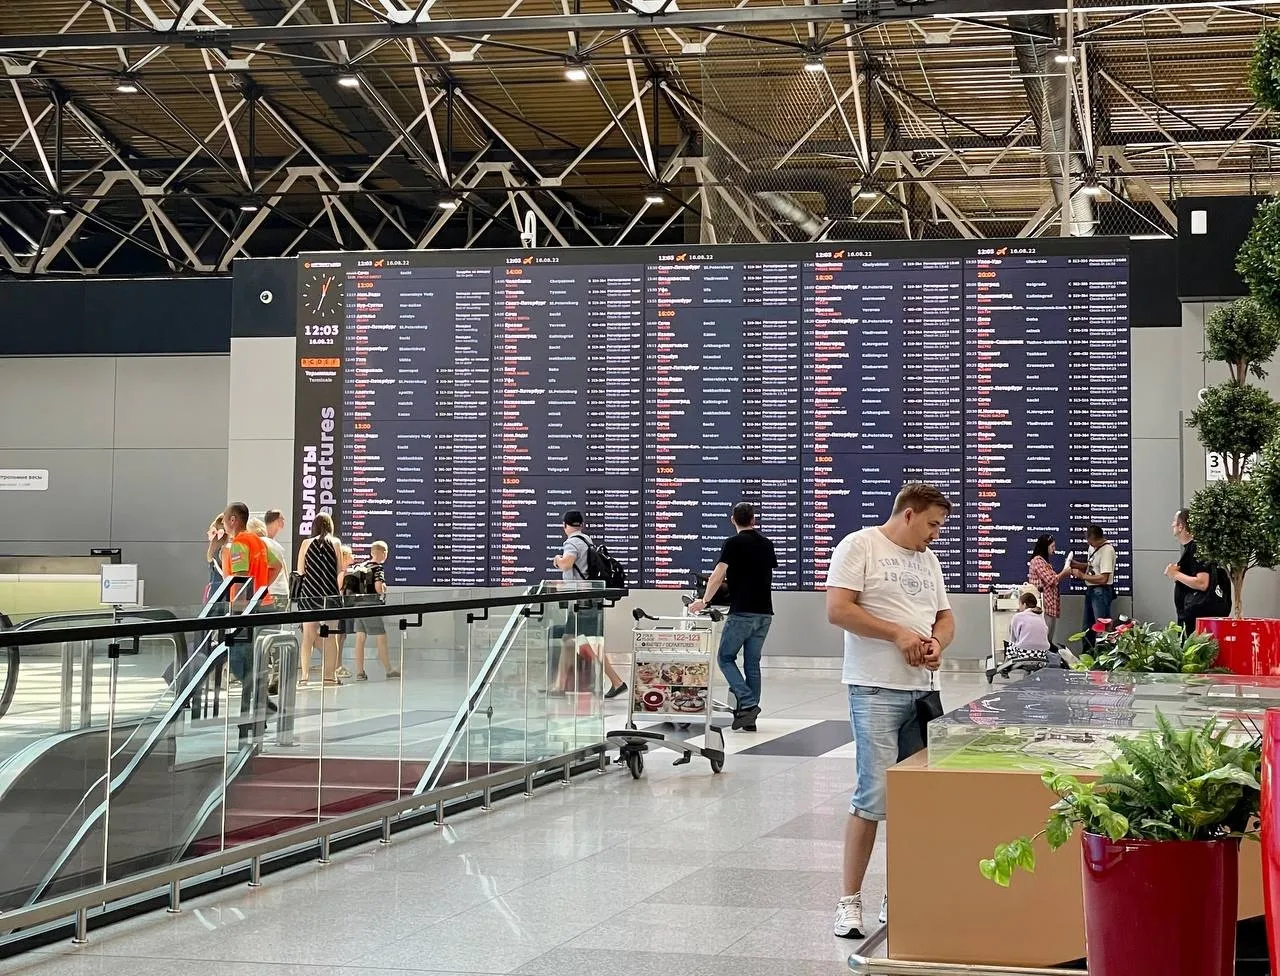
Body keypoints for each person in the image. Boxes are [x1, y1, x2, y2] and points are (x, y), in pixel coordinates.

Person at [826, 482, 955, 940]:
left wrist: (936, 642)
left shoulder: (929, 560)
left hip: (922, 694)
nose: (935, 534)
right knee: (873, 795)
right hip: (875, 690)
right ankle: (849, 901)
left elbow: (945, 617)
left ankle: (896, 894)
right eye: (932, 524)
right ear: (908, 514)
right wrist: (897, 634)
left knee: (912, 799)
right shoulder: (860, 546)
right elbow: (838, 610)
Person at [688, 502, 777, 732]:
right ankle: (749, 717)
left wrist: (704, 601)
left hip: (742, 612)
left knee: (725, 658)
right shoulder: (767, 544)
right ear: (753, 519)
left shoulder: (733, 543)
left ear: (732, 520)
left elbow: (717, 575)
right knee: (752, 663)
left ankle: (747, 702)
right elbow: (760, 574)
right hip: (765, 613)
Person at [550, 511, 626, 698]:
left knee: (585, 642)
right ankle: (559, 686)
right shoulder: (587, 540)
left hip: (581, 601)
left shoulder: (571, 543)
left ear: (565, 525)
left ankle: (617, 682)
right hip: (589, 598)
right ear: (582, 525)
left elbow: (567, 564)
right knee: (570, 640)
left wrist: (557, 560)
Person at [221, 502, 283, 729]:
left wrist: (239, 607)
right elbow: (277, 566)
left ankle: (254, 712)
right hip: (263, 604)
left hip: (246, 609)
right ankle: (261, 707)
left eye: (225, 520)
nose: (224, 524)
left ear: (233, 520)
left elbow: (240, 578)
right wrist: (262, 587)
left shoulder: (239, 543)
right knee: (253, 663)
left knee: (242, 662)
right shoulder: (258, 540)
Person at [297, 513, 343, 686]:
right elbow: (339, 570)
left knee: (308, 636)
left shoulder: (306, 543)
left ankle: (304, 676)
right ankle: (329, 676)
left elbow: (300, 571)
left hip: (309, 594)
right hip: (329, 593)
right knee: (331, 636)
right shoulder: (336, 543)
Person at [351, 541, 401, 681]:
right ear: (383, 553)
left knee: (360, 638)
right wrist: (384, 588)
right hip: (371, 605)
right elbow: (379, 588)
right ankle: (389, 670)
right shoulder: (377, 568)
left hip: (357, 605)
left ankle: (360, 672)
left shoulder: (361, 566)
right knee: (381, 637)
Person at [1165, 509, 1212, 634]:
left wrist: (1175, 574)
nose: (1172, 524)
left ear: (1181, 526)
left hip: (1194, 619)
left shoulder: (1196, 548)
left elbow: (1202, 583)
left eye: (1174, 521)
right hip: (1188, 616)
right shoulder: (1190, 549)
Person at [1072, 525, 1117, 651]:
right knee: (1087, 628)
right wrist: (1077, 565)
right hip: (1091, 590)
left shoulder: (1107, 550)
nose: (1089, 544)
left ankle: (1102, 656)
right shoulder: (1092, 547)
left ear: (1098, 539)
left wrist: (1082, 576)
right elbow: (1092, 565)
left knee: (1101, 628)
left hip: (1101, 591)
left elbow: (1104, 578)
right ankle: (1087, 655)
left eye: (1091, 542)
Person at [1026, 534, 1070, 645]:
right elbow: (1051, 580)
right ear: (1045, 546)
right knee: (1044, 640)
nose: (1054, 549)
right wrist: (1064, 573)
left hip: (1049, 606)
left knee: (1048, 640)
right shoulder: (1038, 561)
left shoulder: (1044, 562)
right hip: (1044, 606)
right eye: (1052, 546)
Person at [263, 509, 291, 607]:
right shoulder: (264, 542)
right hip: (274, 591)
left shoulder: (273, 543)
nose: (283, 521)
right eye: (282, 518)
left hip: (279, 590)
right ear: (276, 520)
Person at [335, 544, 355, 679]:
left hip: (342, 607)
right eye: (350, 554)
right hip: (339, 607)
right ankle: (336, 665)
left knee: (342, 637)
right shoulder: (341, 572)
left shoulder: (345, 571)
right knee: (339, 636)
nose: (353, 556)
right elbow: (339, 589)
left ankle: (337, 664)